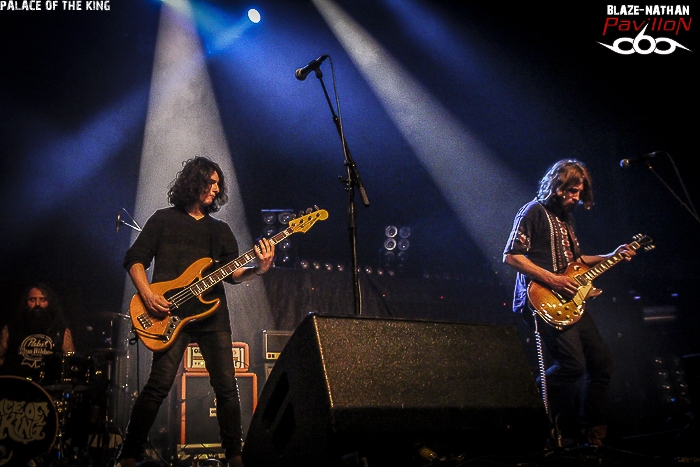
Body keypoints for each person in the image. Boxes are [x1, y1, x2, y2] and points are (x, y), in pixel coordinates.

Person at [117, 157, 274, 467]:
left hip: (212, 317)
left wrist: (260, 268)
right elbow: (135, 259)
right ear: (193, 181)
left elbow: (232, 274)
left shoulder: (220, 230)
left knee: (226, 388)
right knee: (158, 386)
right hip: (167, 314)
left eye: (218, 184)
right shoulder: (163, 220)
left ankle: (235, 456)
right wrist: (147, 294)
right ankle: (129, 455)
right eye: (210, 182)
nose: (216, 189)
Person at [502, 159, 636, 447]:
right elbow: (512, 256)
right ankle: (528, 402)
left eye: (580, 192)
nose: (576, 198)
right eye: (572, 191)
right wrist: (554, 280)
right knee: (573, 366)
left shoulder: (567, 219)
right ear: (557, 186)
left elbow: (577, 262)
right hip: (543, 298)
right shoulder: (533, 211)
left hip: (572, 300)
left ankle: (593, 434)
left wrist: (611, 255)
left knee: (601, 362)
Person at [0, 283, 75, 381]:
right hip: (16, 384)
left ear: (49, 303)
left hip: (47, 386)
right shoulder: (11, 329)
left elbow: (71, 362)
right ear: (26, 302)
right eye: (32, 300)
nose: (37, 304)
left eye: (43, 300)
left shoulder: (60, 330)